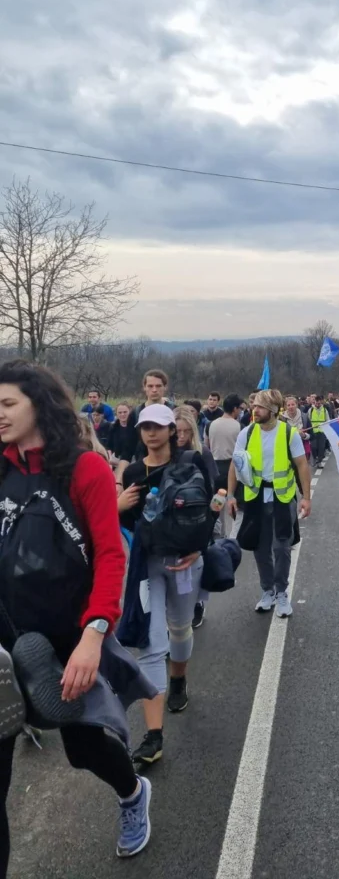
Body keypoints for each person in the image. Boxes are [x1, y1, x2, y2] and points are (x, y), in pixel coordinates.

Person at [0, 360, 152, 869]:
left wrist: (93, 635)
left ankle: (132, 793)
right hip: (7, 638)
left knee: (84, 750)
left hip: (70, 633)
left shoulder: (84, 469)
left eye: (8, 404)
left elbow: (110, 555)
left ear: (40, 405)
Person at [119, 405, 211, 766]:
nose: (151, 433)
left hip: (186, 562)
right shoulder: (133, 472)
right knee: (152, 644)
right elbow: (126, 522)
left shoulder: (192, 461)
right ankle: (154, 737)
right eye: (145, 427)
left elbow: (211, 504)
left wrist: (199, 548)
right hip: (148, 565)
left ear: (172, 430)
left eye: (158, 426)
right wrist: (118, 505)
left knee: (180, 628)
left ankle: (179, 680)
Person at [227, 390, 311, 618]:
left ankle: (282, 592)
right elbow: (235, 464)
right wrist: (231, 495)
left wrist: (306, 497)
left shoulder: (288, 433)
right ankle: (267, 591)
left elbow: (302, 465)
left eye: (260, 407)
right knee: (260, 547)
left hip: (282, 497)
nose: (254, 410)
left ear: (273, 410)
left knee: (281, 546)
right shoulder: (247, 432)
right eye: (254, 406)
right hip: (255, 498)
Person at [174, 405, 219, 631]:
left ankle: (198, 603)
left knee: (197, 563)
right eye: (177, 431)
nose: (181, 436)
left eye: (186, 431)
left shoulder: (202, 453)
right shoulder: (166, 453)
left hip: (198, 515)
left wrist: (211, 517)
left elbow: (212, 486)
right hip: (173, 518)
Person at [108, 402, 138, 484]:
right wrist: (110, 459)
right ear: (116, 414)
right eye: (120, 412)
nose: (122, 415)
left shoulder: (136, 428)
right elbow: (109, 446)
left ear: (129, 412)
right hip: (116, 462)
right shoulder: (113, 428)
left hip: (133, 462)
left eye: (125, 412)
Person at [282, 395, 311, 460]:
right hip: (288, 451)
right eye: (288, 405)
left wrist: (304, 435)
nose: (291, 407)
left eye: (293, 404)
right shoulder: (282, 419)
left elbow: (311, 435)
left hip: (302, 449)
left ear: (297, 405)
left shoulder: (304, 417)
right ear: (285, 407)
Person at [308, 393, 330, 467]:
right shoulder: (310, 410)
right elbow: (308, 420)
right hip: (313, 432)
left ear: (321, 402)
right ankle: (315, 458)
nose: (318, 405)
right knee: (314, 447)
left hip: (322, 432)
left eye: (319, 403)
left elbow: (328, 420)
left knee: (321, 448)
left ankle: (319, 462)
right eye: (316, 403)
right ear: (314, 402)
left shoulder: (325, 410)